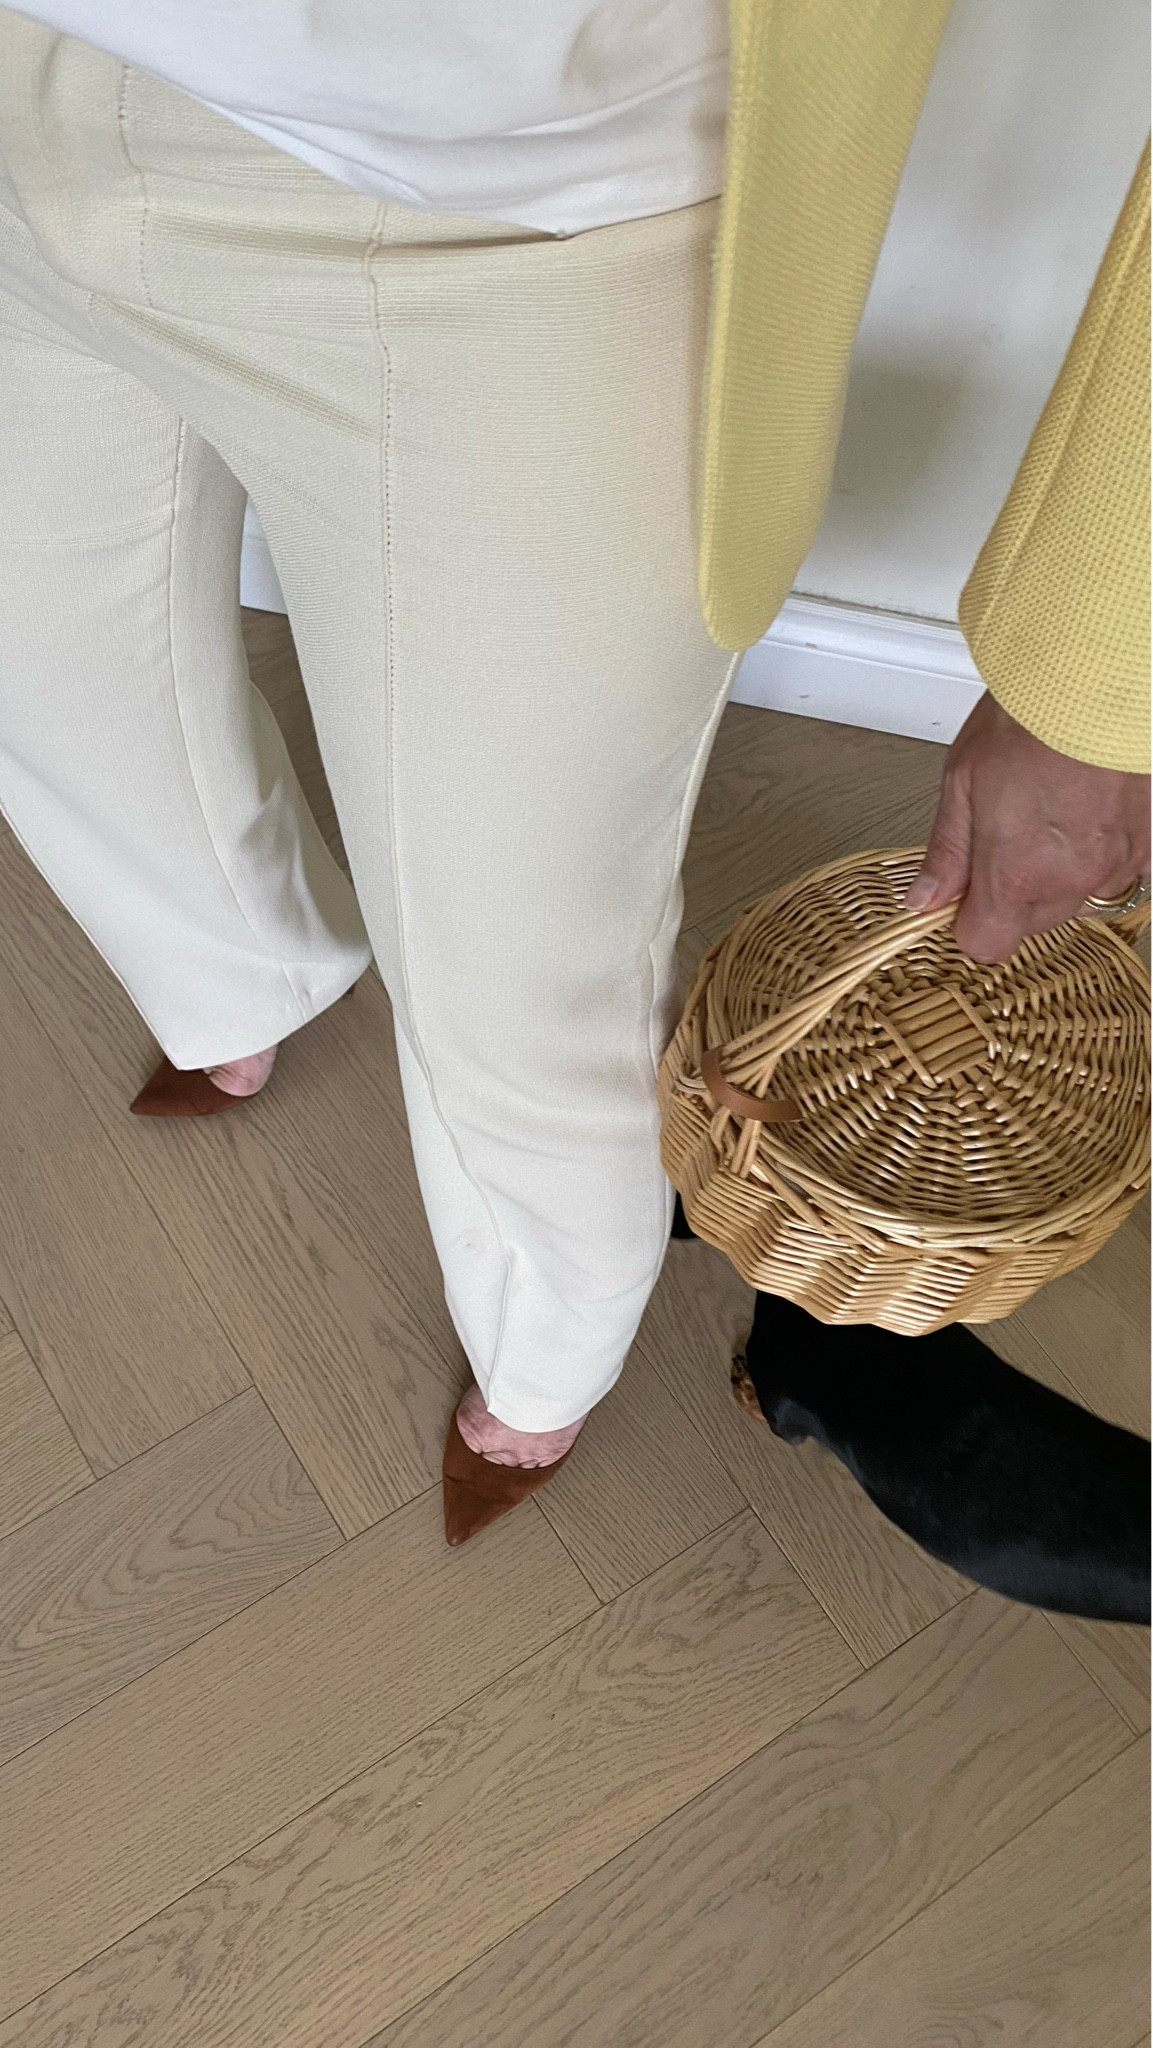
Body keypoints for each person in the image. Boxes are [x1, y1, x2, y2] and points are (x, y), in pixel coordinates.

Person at [0, 4, 1147, 1544]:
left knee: (515, 953)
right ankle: (235, 973)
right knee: (47, 666)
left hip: (532, 211)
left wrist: (1096, 672)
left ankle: (551, 1333)